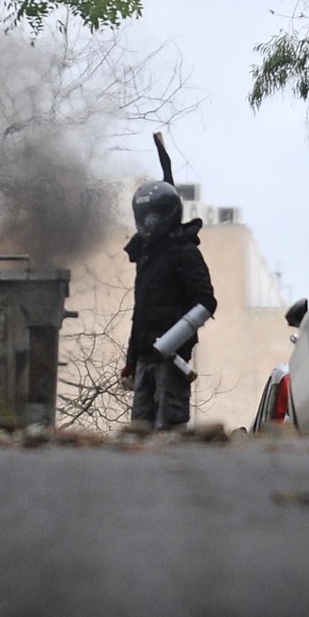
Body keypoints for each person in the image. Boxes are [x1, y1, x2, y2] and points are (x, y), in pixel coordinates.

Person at [119, 179, 217, 431]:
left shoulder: (184, 252)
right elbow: (140, 313)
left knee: (170, 428)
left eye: (152, 217)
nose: (147, 224)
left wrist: (171, 342)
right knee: (139, 428)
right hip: (143, 357)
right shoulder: (146, 256)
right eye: (143, 217)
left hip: (171, 359)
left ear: (166, 214)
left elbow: (206, 302)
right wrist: (131, 360)